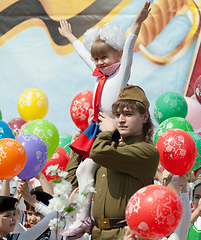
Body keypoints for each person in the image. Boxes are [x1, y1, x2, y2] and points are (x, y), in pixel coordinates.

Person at [58, 2, 151, 236]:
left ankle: (83, 218)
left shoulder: (121, 73)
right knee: (83, 171)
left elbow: (130, 45)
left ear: (117, 55)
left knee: (88, 168)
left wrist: (137, 23)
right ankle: (85, 217)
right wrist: (70, 37)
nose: (99, 62)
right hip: (98, 130)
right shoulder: (100, 75)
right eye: (96, 58)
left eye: (104, 57)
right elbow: (83, 55)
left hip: (114, 132)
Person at [89, 85, 159, 239]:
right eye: (117, 115)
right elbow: (72, 175)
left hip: (127, 233)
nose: (120, 120)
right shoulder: (111, 148)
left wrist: (107, 131)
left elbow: (98, 152)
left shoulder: (147, 152)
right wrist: (88, 131)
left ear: (145, 117)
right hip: (97, 233)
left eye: (128, 114)